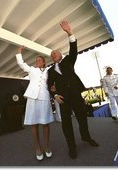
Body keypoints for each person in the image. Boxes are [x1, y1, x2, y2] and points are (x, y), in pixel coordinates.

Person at [47, 20, 98, 159]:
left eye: (55, 53)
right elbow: (49, 85)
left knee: (82, 119)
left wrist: (70, 33)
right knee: (66, 125)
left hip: (76, 95)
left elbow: (73, 48)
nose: (53, 55)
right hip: (63, 100)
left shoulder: (69, 60)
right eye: (51, 55)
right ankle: (72, 147)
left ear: (60, 55)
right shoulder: (50, 71)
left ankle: (86, 137)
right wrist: (55, 95)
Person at [16, 46, 54, 161]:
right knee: (34, 124)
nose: (37, 61)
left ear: (44, 62)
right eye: (36, 60)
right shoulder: (31, 69)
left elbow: (52, 82)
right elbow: (22, 64)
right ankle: (37, 147)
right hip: (32, 98)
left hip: (44, 98)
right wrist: (19, 52)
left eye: (39, 60)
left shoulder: (49, 71)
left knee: (45, 123)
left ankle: (46, 146)